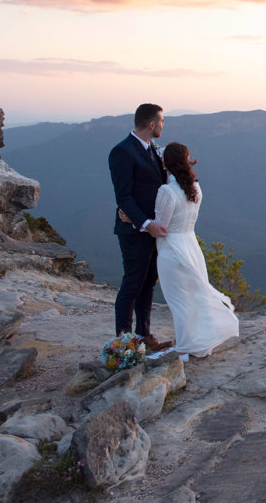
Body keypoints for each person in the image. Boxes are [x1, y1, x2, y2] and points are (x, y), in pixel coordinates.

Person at [153, 142, 239, 361]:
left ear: (165, 163)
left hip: (172, 250)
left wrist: (135, 222)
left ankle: (183, 349)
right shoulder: (196, 187)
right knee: (194, 297)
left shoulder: (167, 191)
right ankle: (199, 345)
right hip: (191, 246)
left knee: (179, 302)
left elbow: (160, 228)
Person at [108, 104, 173, 353]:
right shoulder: (122, 152)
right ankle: (123, 343)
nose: (164, 125)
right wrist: (145, 224)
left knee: (147, 284)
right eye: (162, 121)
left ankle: (144, 336)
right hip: (134, 231)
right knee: (132, 284)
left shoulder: (152, 150)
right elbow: (123, 196)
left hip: (153, 230)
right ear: (151, 124)